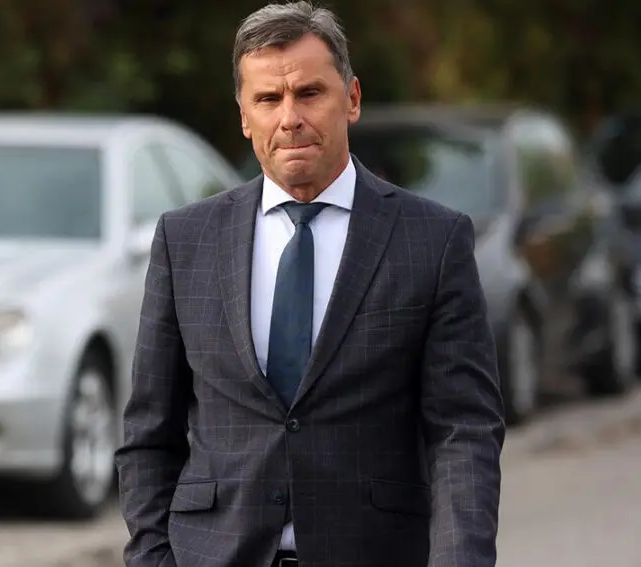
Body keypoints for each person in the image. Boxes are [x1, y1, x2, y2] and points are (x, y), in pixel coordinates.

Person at [115, 2, 506, 566]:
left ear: (352, 98)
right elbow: (148, 435)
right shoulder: (186, 240)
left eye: (309, 93)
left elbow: (462, 432)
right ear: (244, 117)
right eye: (268, 100)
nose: (289, 118)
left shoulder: (433, 240)